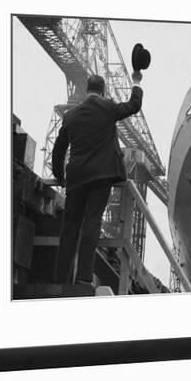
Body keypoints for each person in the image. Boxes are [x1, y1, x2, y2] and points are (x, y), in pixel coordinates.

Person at [51, 72, 144, 286]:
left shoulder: (71, 115)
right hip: (101, 176)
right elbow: (133, 105)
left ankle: (61, 280)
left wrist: (59, 175)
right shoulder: (108, 108)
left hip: (76, 178)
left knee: (69, 228)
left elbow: (58, 150)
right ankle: (83, 278)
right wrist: (137, 82)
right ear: (103, 92)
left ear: (86, 90)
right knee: (92, 224)